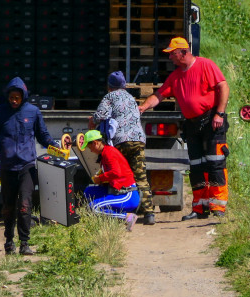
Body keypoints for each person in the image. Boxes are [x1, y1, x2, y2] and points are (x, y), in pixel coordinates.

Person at [138, 37, 230, 220]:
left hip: (212, 120)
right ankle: (200, 208)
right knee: (196, 165)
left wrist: (219, 113)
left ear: (184, 52)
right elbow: (159, 95)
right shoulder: (176, 76)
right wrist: (143, 107)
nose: (170, 58)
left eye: (172, 54)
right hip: (192, 124)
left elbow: (223, 87)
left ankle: (218, 206)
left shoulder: (206, 65)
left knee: (215, 163)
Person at [0, 77, 54, 256]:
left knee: (24, 204)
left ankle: (24, 243)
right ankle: (9, 241)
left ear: (23, 96)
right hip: (7, 167)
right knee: (8, 206)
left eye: (17, 97)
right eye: (11, 98)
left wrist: (55, 145)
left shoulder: (33, 112)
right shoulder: (1, 113)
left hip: (27, 166)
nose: (14, 101)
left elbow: (43, 136)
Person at [90, 71, 156, 226]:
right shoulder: (131, 98)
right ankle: (149, 214)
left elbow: (100, 115)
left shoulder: (110, 97)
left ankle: (118, 208)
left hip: (121, 141)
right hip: (138, 140)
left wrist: (92, 120)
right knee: (141, 177)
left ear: (109, 86)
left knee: (120, 175)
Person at [79, 130, 141, 231]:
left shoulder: (109, 153)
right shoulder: (105, 152)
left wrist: (101, 178)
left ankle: (128, 217)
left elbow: (116, 173)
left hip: (127, 194)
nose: (90, 150)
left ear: (96, 143)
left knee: (93, 207)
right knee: (88, 192)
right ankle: (105, 220)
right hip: (118, 190)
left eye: (90, 147)